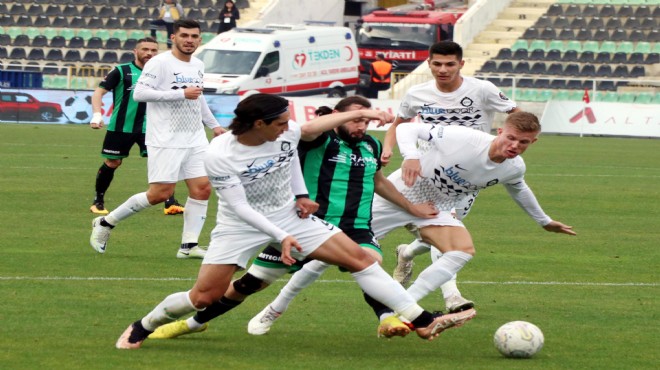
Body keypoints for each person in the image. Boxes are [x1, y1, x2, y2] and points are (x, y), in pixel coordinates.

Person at [115, 94, 476, 350]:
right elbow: (241, 208)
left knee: (363, 259)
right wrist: (281, 235)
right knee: (203, 296)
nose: (289, 128)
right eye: (281, 122)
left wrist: (302, 195)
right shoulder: (220, 154)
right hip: (240, 224)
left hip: (291, 213)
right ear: (259, 124)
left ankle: (421, 318)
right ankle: (144, 325)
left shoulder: (284, 134)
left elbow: (294, 155)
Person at [371, 111, 576, 315]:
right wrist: (411, 157)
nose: (515, 146)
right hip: (397, 196)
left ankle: (403, 306)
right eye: (510, 138)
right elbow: (407, 128)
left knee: (461, 250)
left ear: (534, 142)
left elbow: (520, 189)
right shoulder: (466, 139)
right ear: (500, 131)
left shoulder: (514, 167)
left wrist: (544, 221)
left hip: (435, 210)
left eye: (523, 142)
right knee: (345, 250)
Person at [381, 40, 521, 313]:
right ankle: (452, 297)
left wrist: (508, 139)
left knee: (444, 233)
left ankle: (406, 253)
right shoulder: (417, 93)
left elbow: (516, 114)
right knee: (448, 227)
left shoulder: (482, 90)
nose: (442, 69)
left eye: (449, 64)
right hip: (428, 174)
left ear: (461, 64)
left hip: (468, 174)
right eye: (437, 64)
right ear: (429, 64)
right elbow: (398, 125)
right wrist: (387, 149)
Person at [90, 20, 224, 259]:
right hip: (165, 138)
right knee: (160, 194)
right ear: (173, 38)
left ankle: (188, 246)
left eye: (194, 36)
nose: (189, 40)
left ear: (200, 39)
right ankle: (106, 223)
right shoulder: (159, 63)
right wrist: (180, 93)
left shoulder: (198, 64)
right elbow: (140, 94)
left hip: (194, 138)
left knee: (202, 189)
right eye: (184, 35)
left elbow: (198, 98)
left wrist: (214, 126)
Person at [89, 37, 184, 217]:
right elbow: (99, 92)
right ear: (135, 51)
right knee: (113, 162)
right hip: (120, 126)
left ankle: (170, 202)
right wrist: (96, 115)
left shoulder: (164, 73)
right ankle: (98, 201)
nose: (149, 53)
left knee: (163, 161)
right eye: (145, 49)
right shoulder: (121, 70)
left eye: (153, 50)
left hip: (152, 127)